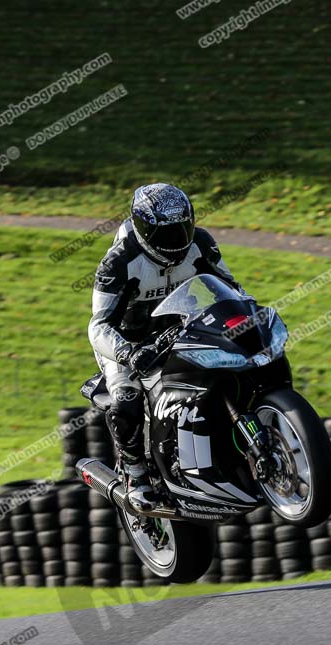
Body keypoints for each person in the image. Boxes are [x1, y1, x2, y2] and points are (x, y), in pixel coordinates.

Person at [88, 183, 246, 511]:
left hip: (180, 329)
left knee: (236, 361)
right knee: (126, 397)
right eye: (168, 233)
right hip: (127, 344)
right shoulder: (119, 262)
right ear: (145, 229)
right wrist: (128, 353)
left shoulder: (200, 243)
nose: (177, 240)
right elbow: (98, 325)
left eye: (182, 228)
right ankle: (136, 476)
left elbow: (231, 288)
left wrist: (244, 315)